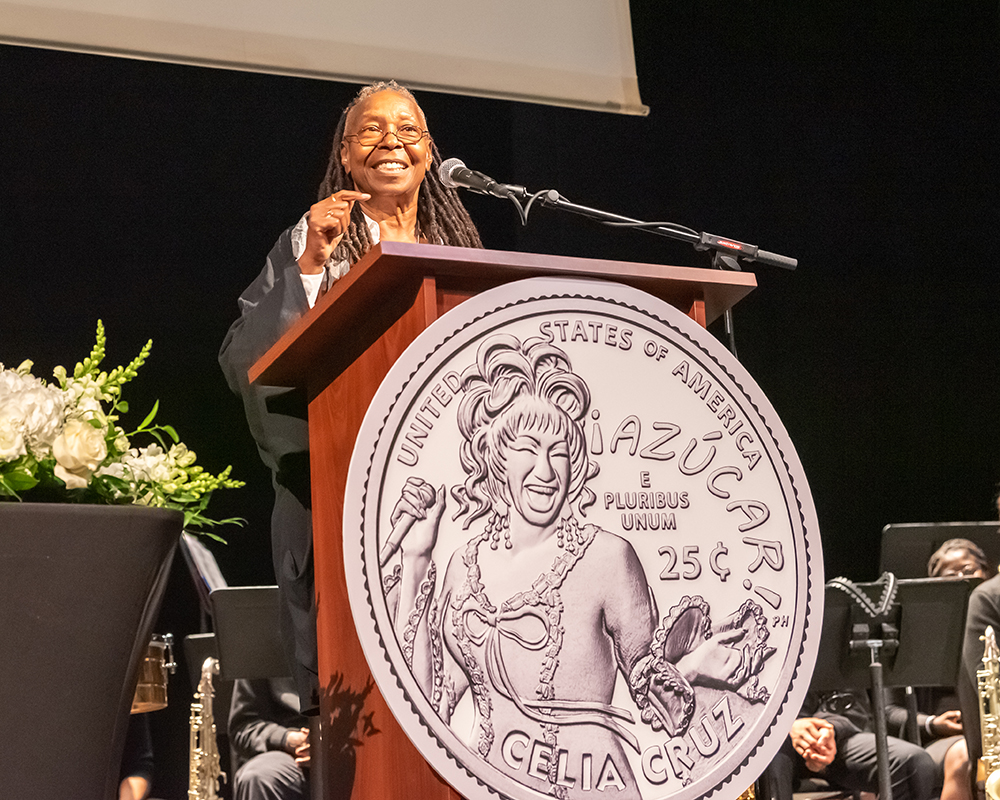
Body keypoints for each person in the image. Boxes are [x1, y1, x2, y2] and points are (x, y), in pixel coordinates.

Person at [385, 333, 774, 798]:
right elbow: (431, 702)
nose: (547, 471)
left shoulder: (608, 557)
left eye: (560, 452)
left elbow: (651, 691)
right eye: (527, 449)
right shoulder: (461, 564)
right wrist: (415, 559)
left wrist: (695, 666)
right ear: (493, 458)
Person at [219, 80, 483, 711]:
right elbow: (245, 362)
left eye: (409, 130)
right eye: (371, 129)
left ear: (428, 151)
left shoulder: (461, 252)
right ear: (344, 154)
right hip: (342, 506)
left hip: (456, 517)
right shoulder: (313, 243)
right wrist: (311, 269)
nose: (391, 140)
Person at [229, 677, 310, 800]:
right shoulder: (260, 657)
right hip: (290, 755)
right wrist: (286, 739)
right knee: (258, 777)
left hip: (345, 747)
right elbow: (244, 726)